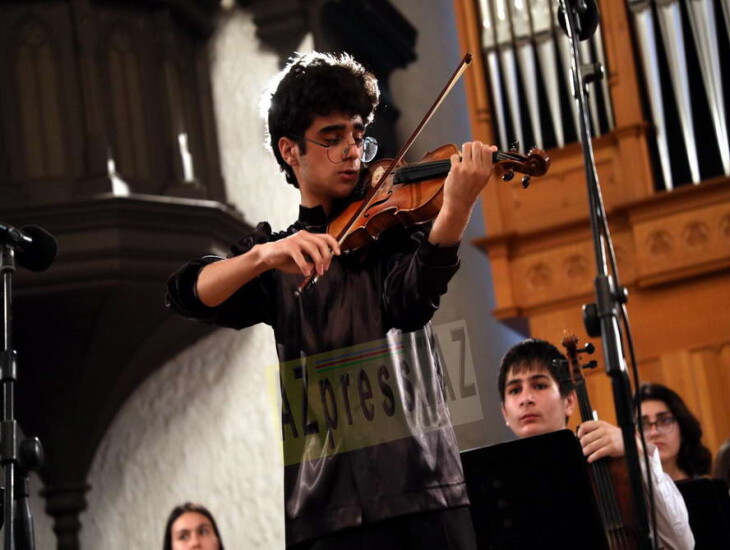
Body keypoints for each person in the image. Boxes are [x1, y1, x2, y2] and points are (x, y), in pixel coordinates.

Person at [167, 51, 494, 548]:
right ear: (290, 150)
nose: (352, 152)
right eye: (332, 137)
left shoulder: (392, 234)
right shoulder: (278, 259)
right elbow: (186, 293)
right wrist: (262, 256)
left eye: (358, 136)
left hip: (423, 491)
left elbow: (411, 304)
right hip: (325, 511)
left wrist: (455, 209)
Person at [497, 338, 694, 550]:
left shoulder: (615, 461)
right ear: (505, 412)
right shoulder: (498, 483)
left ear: (569, 401)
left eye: (539, 385)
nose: (526, 398)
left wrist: (636, 451)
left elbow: (681, 543)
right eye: (515, 390)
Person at [637, 382, 712, 482]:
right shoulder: (627, 490)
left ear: (683, 428)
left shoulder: (708, 486)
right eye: (643, 425)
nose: (654, 432)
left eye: (665, 420)